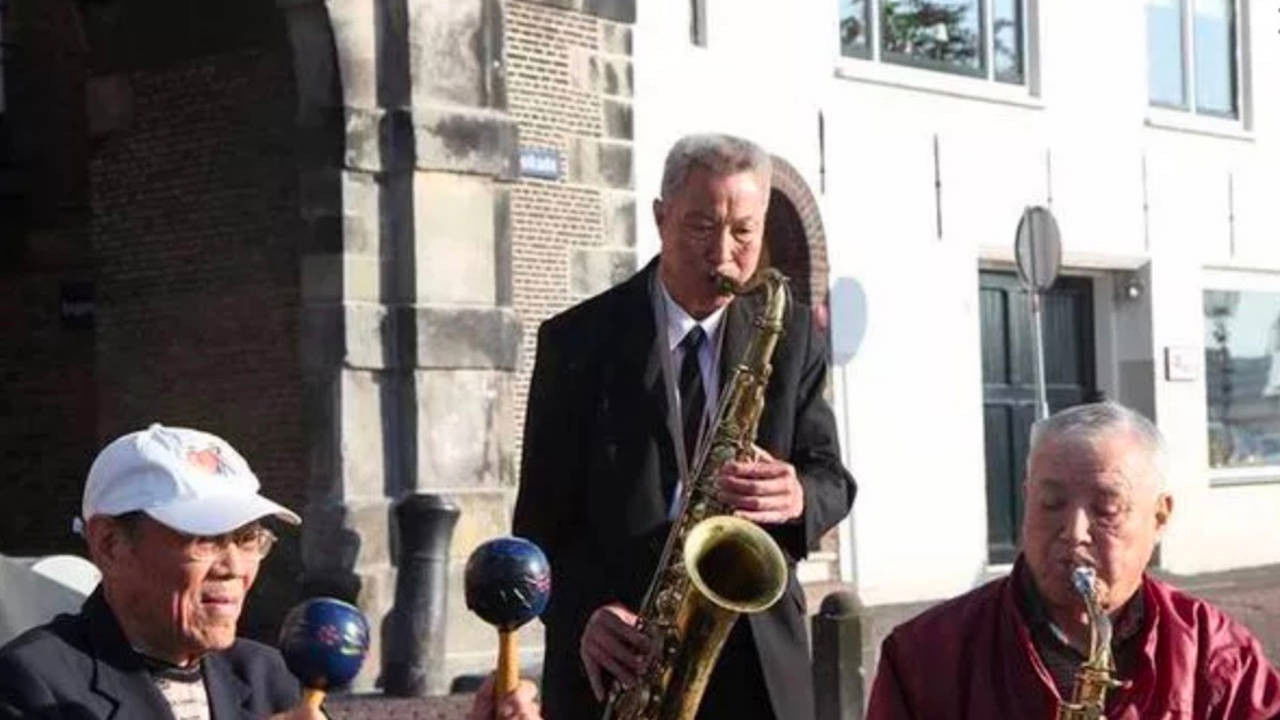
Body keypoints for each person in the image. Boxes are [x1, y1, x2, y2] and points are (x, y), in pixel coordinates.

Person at [513, 133, 857, 719]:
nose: (722, 255)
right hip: (624, 664)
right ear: (660, 218)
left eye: (744, 232)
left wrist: (799, 495)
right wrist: (584, 611)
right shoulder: (576, 342)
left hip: (757, 669)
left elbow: (833, 479)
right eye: (701, 227)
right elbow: (538, 527)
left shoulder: (793, 335)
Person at [0, 423, 543, 720]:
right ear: (110, 544)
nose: (234, 567)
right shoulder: (29, 684)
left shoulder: (268, 676)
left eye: (247, 539)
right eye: (205, 538)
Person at [866, 402, 1280, 719]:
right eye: (1051, 504)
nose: (1074, 532)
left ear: (1159, 517)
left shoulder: (1218, 653)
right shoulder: (924, 655)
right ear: (1027, 499)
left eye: (1106, 508)